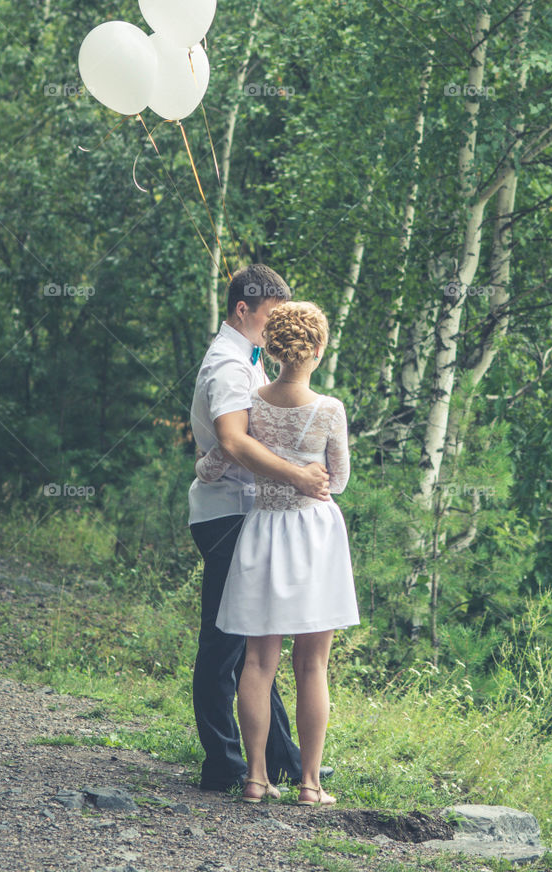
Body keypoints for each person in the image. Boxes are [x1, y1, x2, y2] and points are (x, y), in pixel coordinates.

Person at [188, 263, 334, 793]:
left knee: (256, 642)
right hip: (227, 513)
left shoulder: (249, 359)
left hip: (249, 513)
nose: (278, 329)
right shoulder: (228, 365)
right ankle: (225, 763)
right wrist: (299, 476)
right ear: (243, 309)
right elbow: (231, 440)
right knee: (227, 643)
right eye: (272, 316)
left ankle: (280, 759)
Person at [207, 299, 359, 806]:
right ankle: (310, 785)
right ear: (318, 347)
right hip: (313, 534)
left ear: (272, 347)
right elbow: (336, 480)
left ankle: (255, 778)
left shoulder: (253, 402)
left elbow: (220, 457)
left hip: (263, 530)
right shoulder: (329, 410)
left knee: (257, 661)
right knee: (312, 664)